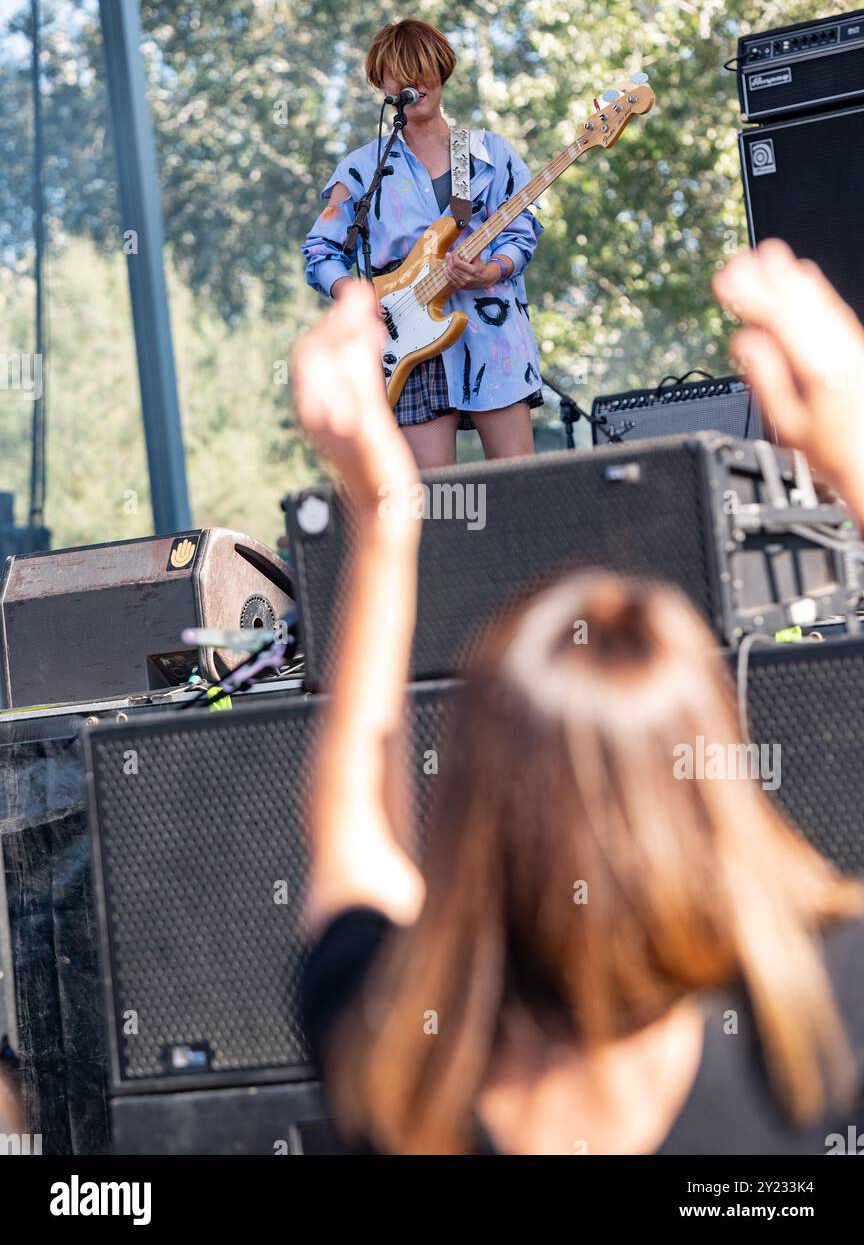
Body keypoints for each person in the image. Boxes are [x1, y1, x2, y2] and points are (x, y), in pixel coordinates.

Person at [292, 265, 864, 1156]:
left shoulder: (398, 1056)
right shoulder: (815, 1023)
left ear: (474, 800)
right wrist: (852, 446)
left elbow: (354, 838)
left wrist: (386, 514)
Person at [301, 18, 544, 469]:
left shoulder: (489, 154)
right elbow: (321, 251)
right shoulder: (360, 169)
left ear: (442, 69)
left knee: (521, 491)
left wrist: (492, 270)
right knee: (439, 507)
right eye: (400, 72)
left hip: (492, 334)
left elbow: (522, 228)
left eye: (422, 67)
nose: (415, 80)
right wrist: (354, 295)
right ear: (382, 82)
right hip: (407, 346)